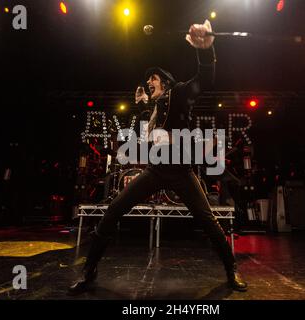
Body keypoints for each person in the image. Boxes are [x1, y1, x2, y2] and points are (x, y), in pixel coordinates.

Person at [69, 20, 247, 295]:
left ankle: (231, 269)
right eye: (148, 80)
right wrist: (144, 104)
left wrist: (205, 50)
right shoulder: (154, 109)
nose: (148, 83)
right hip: (155, 171)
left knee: (209, 222)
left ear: (164, 81)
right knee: (113, 210)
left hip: (181, 172)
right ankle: (89, 271)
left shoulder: (180, 93)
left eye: (152, 79)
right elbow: (155, 116)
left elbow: (204, 79)